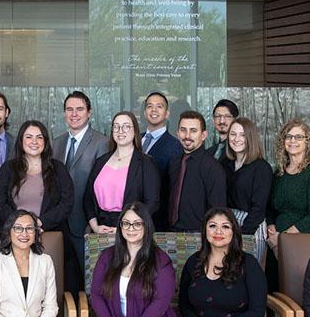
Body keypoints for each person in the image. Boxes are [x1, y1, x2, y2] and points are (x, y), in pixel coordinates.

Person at [52, 91, 109, 293]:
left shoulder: (102, 143)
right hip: (57, 224)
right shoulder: (56, 143)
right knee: (60, 279)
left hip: (85, 223)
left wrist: (94, 221)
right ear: (64, 113)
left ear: (89, 112)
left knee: (89, 280)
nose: (74, 114)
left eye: (79, 109)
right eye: (69, 109)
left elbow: (102, 187)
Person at [265, 119, 310, 291]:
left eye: (299, 137)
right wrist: (272, 231)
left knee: (300, 292)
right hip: (275, 242)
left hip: (303, 244)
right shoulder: (278, 174)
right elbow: (270, 208)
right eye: (289, 136)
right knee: (273, 291)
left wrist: (285, 238)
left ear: (307, 142)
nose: (293, 141)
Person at [83, 111, 160, 233]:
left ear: (135, 131)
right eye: (116, 126)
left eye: (126, 126)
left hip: (131, 231)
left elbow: (152, 203)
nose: (120, 131)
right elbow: (87, 198)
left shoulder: (146, 163)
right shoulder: (100, 162)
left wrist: (127, 226)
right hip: (100, 230)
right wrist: (95, 226)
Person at [0, 120, 74, 231]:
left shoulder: (58, 168)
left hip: (49, 233)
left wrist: (40, 222)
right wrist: (20, 224)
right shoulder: (8, 168)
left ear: (45, 141)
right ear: (21, 141)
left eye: (39, 137)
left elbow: (66, 203)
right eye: (29, 137)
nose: (34, 141)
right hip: (14, 232)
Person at [220, 117, 273, 263]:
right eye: (233, 134)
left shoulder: (261, 168)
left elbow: (259, 208)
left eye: (242, 135)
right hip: (227, 223)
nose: (236, 139)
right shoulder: (224, 163)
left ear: (250, 138)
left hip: (251, 226)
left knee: (247, 269)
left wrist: (242, 236)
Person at [167, 111, 227, 232]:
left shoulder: (213, 168)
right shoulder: (174, 163)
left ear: (203, 135)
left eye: (193, 131)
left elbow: (217, 210)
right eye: (183, 130)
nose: (187, 135)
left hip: (198, 233)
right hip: (170, 232)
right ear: (177, 133)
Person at [139, 92, 183, 229]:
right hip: (131, 214)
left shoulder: (175, 146)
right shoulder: (134, 140)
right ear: (145, 113)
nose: (154, 110)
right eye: (149, 106)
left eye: (159, 106)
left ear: (167, 113)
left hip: (158, 218)